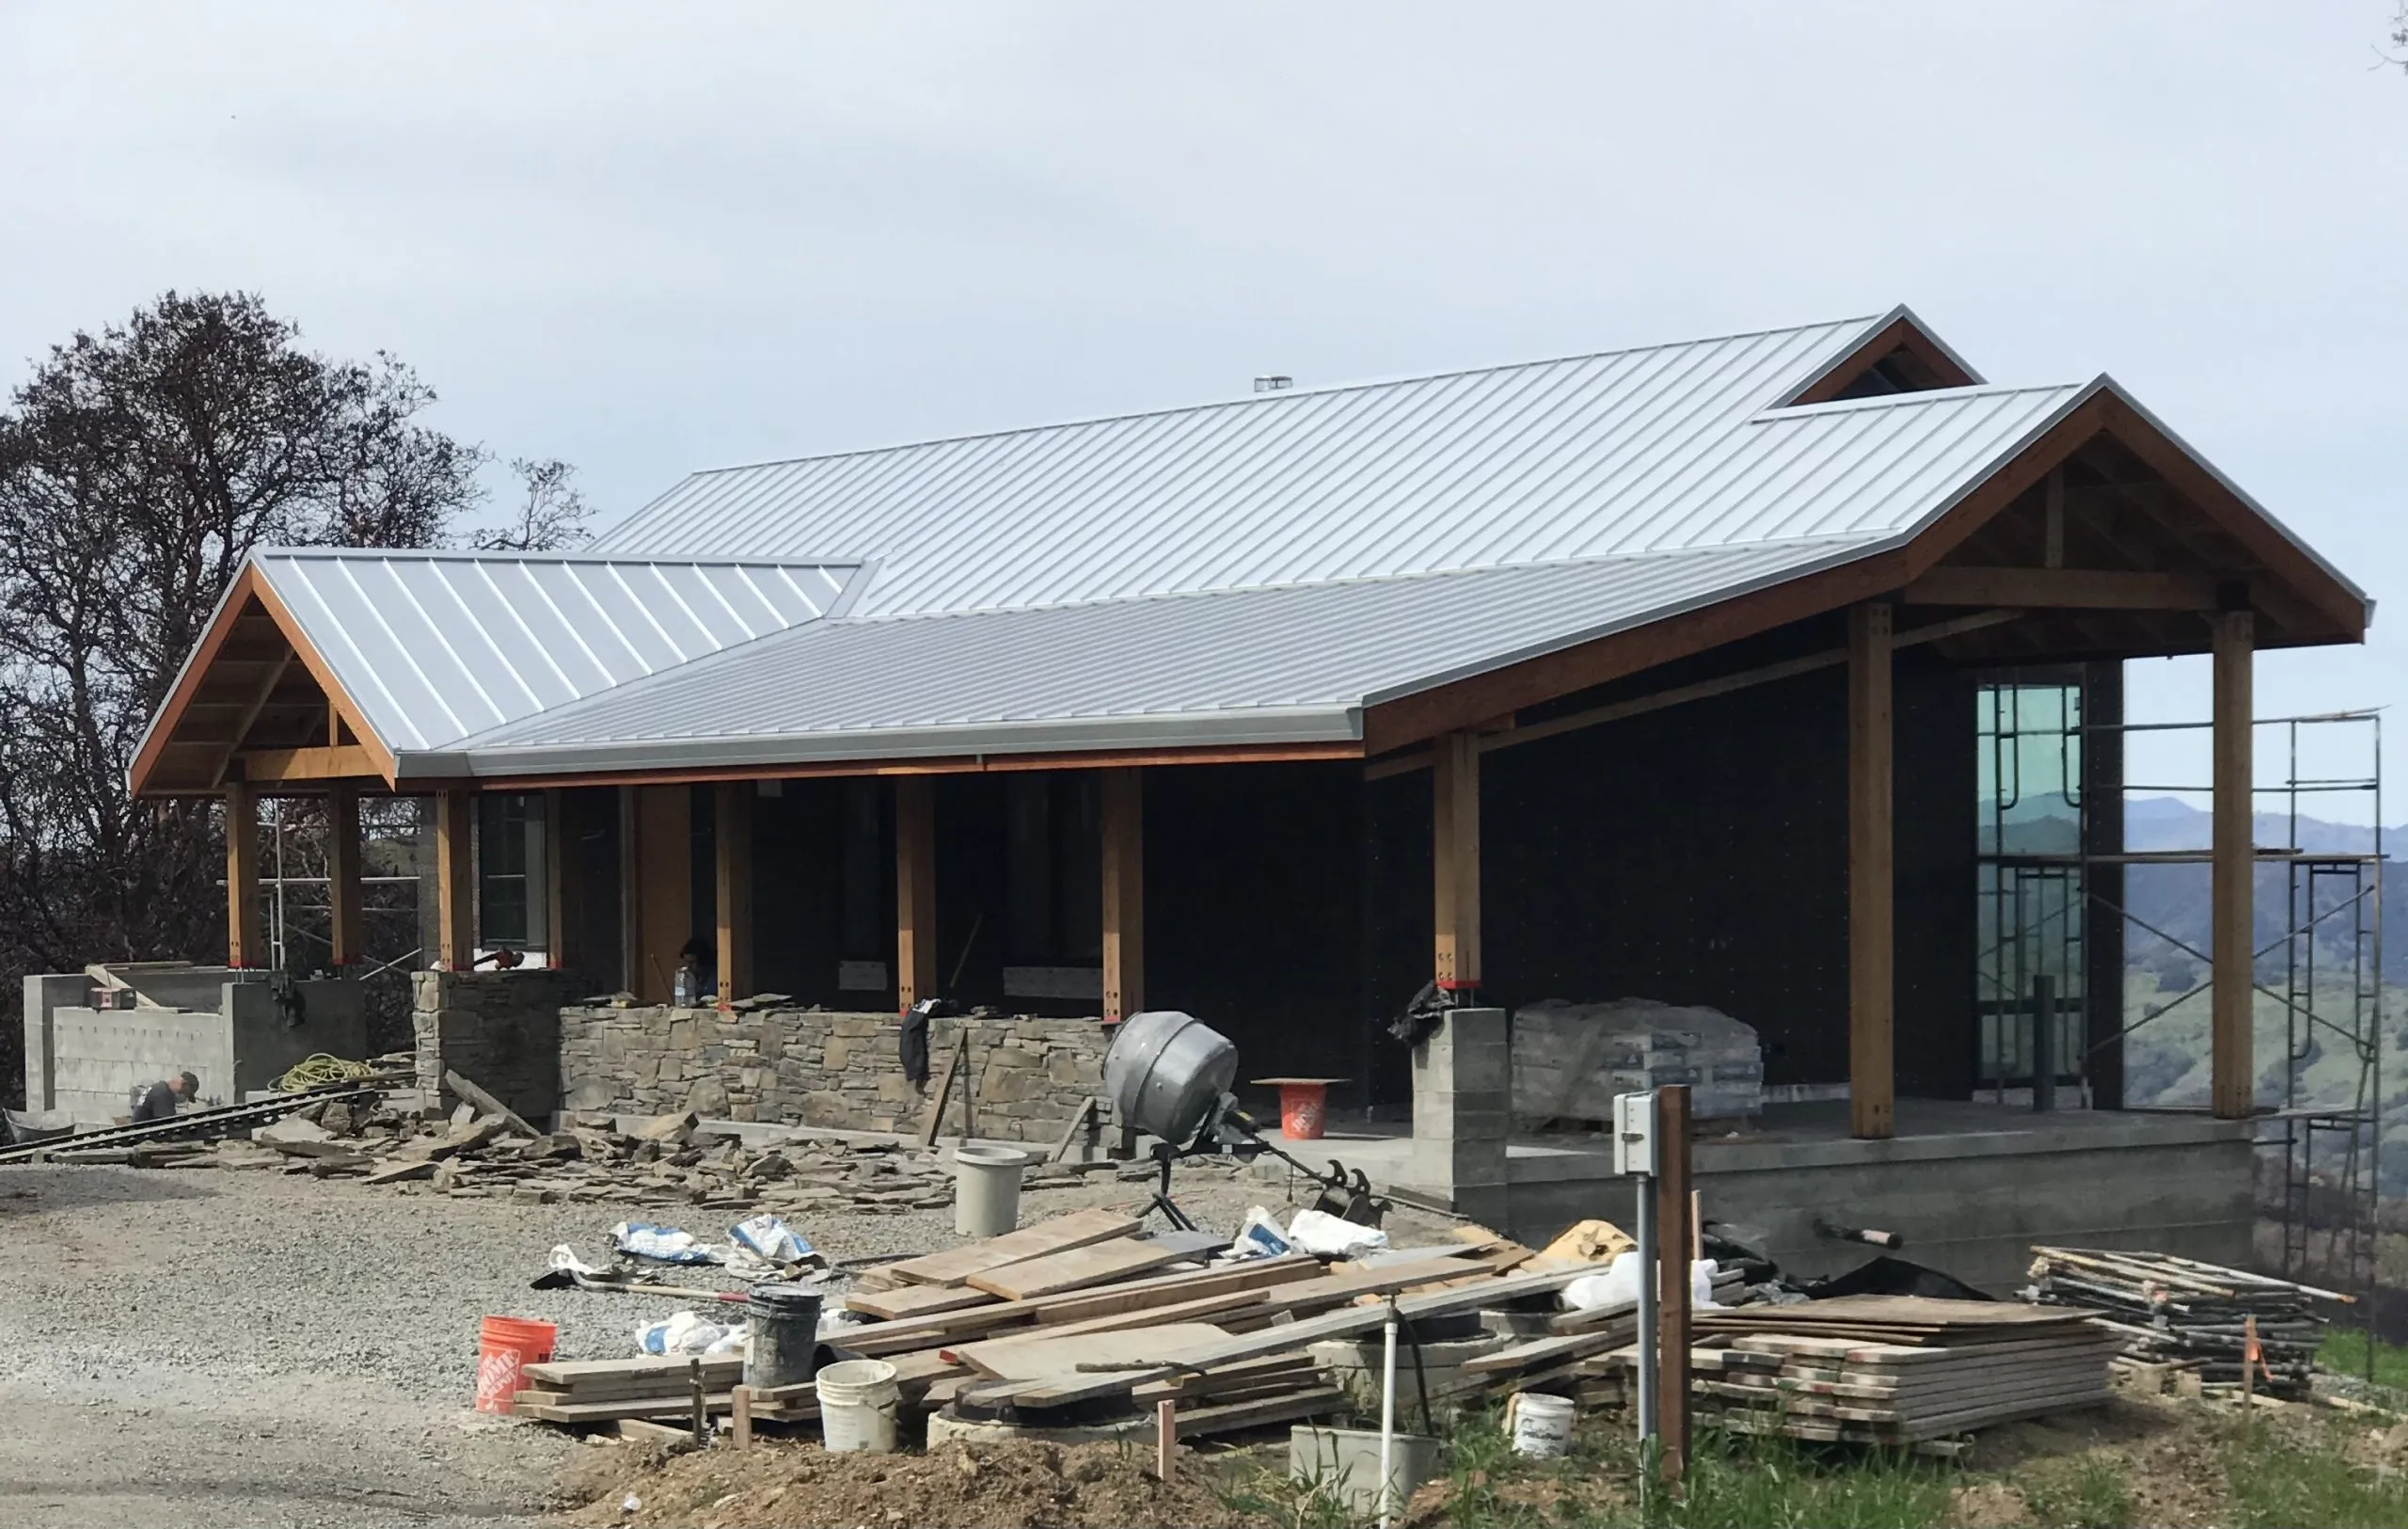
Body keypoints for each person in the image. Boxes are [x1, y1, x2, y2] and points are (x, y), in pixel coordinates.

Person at [130, 1070, 200, 1123]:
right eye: (186, 1095)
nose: (185, 1099)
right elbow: (166, 1125)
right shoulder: (163, 1094)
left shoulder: (160, 1088)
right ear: (184, 1086)